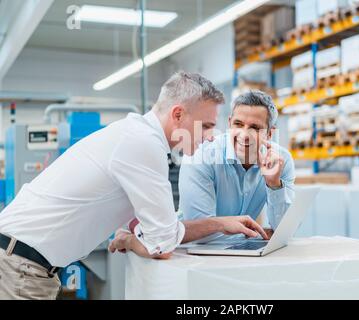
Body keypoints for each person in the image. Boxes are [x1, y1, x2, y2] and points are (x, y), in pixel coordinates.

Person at [0, 72, 267, 300]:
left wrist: (222, 223)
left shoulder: (136, 135)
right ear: (178, 114)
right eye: (207, 125)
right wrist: (131, 240)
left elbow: (154, 229)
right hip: (19, 268)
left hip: (22, 264)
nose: (211, 137)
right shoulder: (143, 144)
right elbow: (161, 244)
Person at [179, 90, 295, 239]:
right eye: (238, 124)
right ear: (229, 123)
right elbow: (201, 233)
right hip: (193, 255)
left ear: (269, 134)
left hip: (239, 251)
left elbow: (284, 231)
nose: (244, 135)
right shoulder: (201, 156)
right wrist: (252, 235)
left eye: (254, 128)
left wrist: (274, 184)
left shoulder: (280, 161)